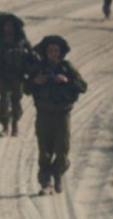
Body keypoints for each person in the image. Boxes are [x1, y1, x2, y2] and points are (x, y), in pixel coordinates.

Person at [24, 36, 87, 195]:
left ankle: (57, 173)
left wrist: (67, 81)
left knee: (62, 149)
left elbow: (82, 86)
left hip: (62, 115)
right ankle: (46, 182)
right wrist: (35, 82)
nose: (53, 53)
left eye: (56, 50)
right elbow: (26, 89)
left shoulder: (67, 68)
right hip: (44, 115)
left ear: (61, 52)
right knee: (44, 151)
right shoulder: (38, 68)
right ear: (45, 52)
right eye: (50, 50)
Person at [0, 12, 34, 137]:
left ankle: (15, 124)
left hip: (18, 76)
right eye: (6, 26)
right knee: (4, 101)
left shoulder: (21, 41)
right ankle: (5, 126)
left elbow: (31, 55)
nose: (8, 29)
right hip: (3, 75)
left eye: (11, 26)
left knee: (16, 100)